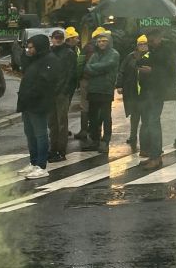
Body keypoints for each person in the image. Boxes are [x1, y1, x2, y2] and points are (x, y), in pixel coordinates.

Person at [16, 34, 62, 180]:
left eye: (31, 47)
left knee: (40, 134)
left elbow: (45, 83)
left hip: (39, 103)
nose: (28, 50)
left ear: (39, 47)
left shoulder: (50, 60)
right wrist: (26, 55)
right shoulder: (34, 60)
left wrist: (32, 94)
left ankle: (41, 165)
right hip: (28, 103)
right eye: (27, 47)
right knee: (30, 134)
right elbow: (23, 70)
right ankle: (33, 161)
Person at [138, 29, 174, 169]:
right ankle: (153, 155)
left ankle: (156, 156)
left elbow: (170, 71)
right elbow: (146, 62)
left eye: (151, 40)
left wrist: (151, 71)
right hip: (149, 91)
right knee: (150, 122)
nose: (150, 42)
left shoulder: (166, 51)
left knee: (153, 123)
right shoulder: (154, 50)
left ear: (158, 37)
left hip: (157, 91)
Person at [82, 28, 120, 154]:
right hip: (93, 89)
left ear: (109, 42)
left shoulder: (114, 54)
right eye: (99, 41)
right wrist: (96, 69)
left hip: (106, 89)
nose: (102, 43)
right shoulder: (95, 55)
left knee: (105, 116)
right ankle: (94, 140)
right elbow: (87, 68)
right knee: (93, 117)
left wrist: (94, 69)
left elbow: (107, 65)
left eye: (104, 41)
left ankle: (105, 141)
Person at [47, 29, 76, 162]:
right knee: (52, 123)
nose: (57, 40)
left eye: (59, 38)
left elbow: (71, 74)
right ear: (51, 38)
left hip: (62, 93)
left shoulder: (69, 53)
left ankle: (61, 151)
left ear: (63, 39)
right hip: (51, 92)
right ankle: (53, 149)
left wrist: (65, 91)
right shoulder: (49, 52)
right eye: (55, 38)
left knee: (62, 123)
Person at [119, 35, 149, 154]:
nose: (143, 46)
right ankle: (133, 136)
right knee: (135, 116)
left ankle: (146, 140)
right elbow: (122, 70)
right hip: (133, 92)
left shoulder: (150, 56)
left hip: (146, 92)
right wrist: (119, 85)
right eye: (140, 44)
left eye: (145, 44)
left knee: (146, 117)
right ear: (137, 46)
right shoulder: (130, 57)